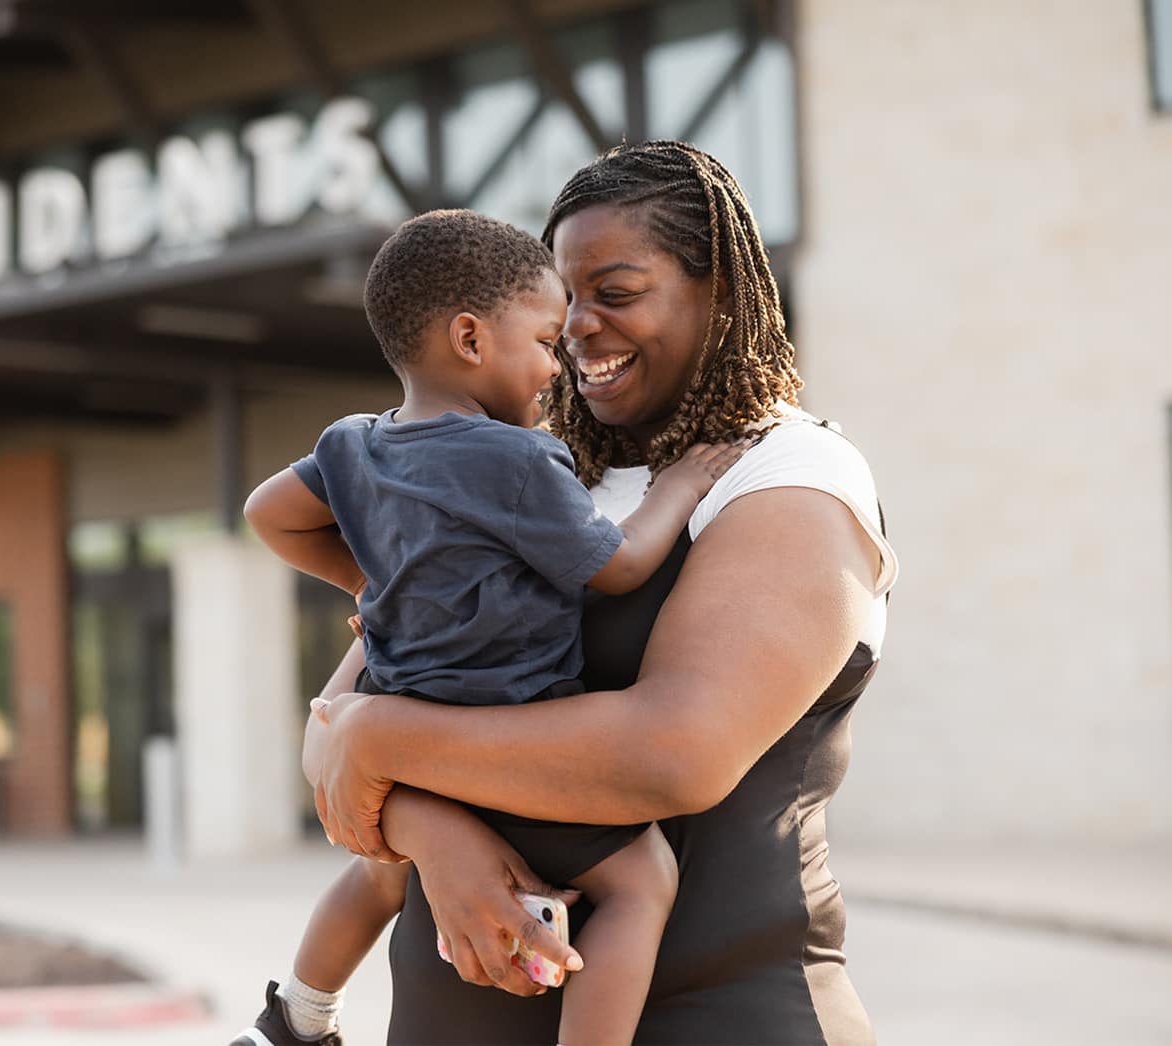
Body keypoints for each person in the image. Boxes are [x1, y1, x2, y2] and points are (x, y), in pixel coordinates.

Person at [301, 140, 898, 1045]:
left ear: (723, 297)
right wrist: (430, 831)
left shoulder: (787, 475)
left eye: (616, 293)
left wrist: (386, 743)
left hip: (721, 1018)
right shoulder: (525, 477)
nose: (578, 325)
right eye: (564, 298)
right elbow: (331, 740)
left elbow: (671, 754)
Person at [237, 209, 746, 1046]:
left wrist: (378, 581)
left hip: (402, 722)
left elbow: (270, 515)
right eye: (546, 341)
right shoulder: (520, 458)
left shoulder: (352, 446)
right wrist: (679, 490)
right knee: (641, 882)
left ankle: (295, 1016)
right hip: (506, 732)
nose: (558, 364)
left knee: (376, 876)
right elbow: (615, 566)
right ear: (471, 339)